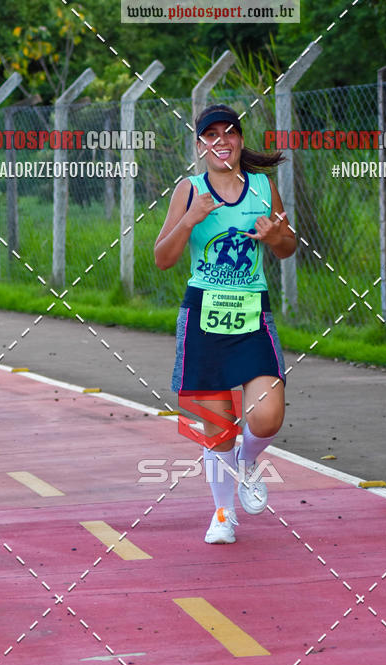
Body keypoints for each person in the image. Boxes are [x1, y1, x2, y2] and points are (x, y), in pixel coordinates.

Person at [154, 103, 296, 544]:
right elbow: (163, 259)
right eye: (210, 134)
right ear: (200, 145)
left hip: (252, 313)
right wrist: (191, 219)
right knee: (216, 431)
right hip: (203, 315)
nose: (221, 140)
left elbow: (288, 246)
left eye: (229, 132)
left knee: (268, 415)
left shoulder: (261, 187)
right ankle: (222, 514)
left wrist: (276, 237)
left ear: (239, 139)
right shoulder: (189, 189)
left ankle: (249, 462)